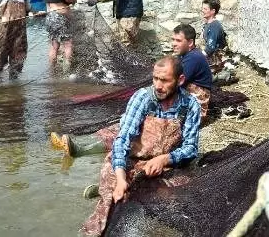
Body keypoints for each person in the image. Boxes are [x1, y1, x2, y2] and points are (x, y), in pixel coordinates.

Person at [50, 56, 201, 236]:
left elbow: (191, 148)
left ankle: (102, 189)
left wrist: (165, 158)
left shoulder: (190, 105)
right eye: (155, 79)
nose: (158, 86)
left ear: (180, 80)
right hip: (129, 160)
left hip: (165, 165)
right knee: (112, 203)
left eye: (165, 80)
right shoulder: (143, 98)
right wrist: (121, 178)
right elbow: (121, 143)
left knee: (173, 206)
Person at [38, 0, 77, 71]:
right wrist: (74, 0)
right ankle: (67, 72)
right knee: (68, 44)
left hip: (50, 18)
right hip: (61, 18)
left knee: (54, 45)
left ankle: (52, 71)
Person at [172, 24, 213, 120]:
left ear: (190, 42)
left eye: (178, 40)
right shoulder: (185, 55)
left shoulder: (193, 57)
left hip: (196, 107)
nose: (173, 43)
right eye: (173, 39)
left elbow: (175, 83)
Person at [201, 0, 227, 69]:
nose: (202, 11)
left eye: (205, 9)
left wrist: (197, 58)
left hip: (215, 63)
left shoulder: (215, 26)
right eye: (202, 8)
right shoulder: (207, 24)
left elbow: (210, 48)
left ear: (212, 11)